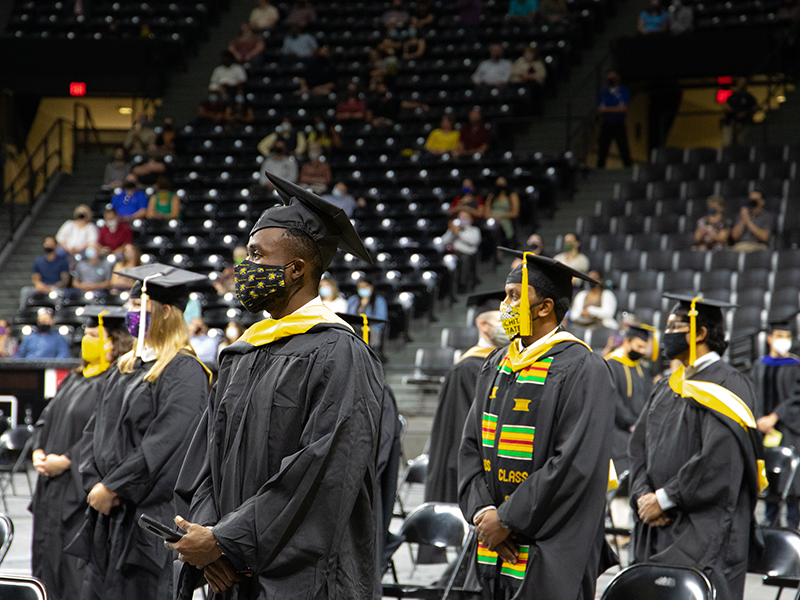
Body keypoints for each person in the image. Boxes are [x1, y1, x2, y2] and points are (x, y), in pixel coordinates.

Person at [171, 174, 384, 599]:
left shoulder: (338, 352)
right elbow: (208, 460)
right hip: (230, 571)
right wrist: (209, 537)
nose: (242, 268)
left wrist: (227, 542)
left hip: (300, 577)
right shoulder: (242, 353)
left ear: (296, 269)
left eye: (255, 255)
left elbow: (321, 474)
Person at [459, 252, 616, 600]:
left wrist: (507, 520)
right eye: (505, 295)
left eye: (514, 296)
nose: (505, 304)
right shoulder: (497, 363)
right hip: (491, 547)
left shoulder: (583, 369)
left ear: (544, 307)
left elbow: (574, 463)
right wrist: (484, 513)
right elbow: (471, 445)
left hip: (548, 547)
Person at [68, 265, 211, 600]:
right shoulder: (126, 367)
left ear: (165, 312)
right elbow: (93, 434)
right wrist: (95, 485)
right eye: (130, 308)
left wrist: (114, 486)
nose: (131, 315)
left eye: (139, 309)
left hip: (149, 522)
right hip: (108, 514)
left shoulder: (184, 371)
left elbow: (166, 446)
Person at [629, 294, 763, 600]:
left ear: (700, 333)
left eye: (675, 326)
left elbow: (719, 461)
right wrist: (642, 496)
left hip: (703, 531)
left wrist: (664, 498)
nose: (666, 334)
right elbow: (638, 448)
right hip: (654, 525)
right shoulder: (668, 384)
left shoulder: (730, 385)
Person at [30, 307, 133, 600]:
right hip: (49, 487)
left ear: (113, 342)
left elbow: (105, 433)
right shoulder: (75, 378)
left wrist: (68, 460)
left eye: (93, 336)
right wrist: (38, 448)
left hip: (78, 489)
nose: (86, 340)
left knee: (74, 572)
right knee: (44, 564)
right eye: (85, 335)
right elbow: (45, 419)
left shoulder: (114, 382)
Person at [426, 292, 507, 504]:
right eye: (500, 320)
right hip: (470, 467)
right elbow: (460, 429)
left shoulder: (507, 363)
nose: (507, 326)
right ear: (483, 325)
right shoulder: (467, 368)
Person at [751, 315, 800, 528]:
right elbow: (751, 395)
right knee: (769, 477)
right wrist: (760, 420)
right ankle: (769, 523)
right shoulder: (759, 366)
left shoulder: (795, 365)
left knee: (791, 480)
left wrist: (775, 417)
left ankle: (791, 525)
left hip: (788, 429)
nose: (784, 340)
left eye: (787, 337)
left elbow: (796, 396)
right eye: (780, 336)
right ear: (769, 338)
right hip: (763, 431)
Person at [605, 324, 654, 472]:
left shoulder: (642, 369)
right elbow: (613, 399)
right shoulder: (610, 365)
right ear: (626, 342)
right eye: (638, 346)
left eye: (643, 348)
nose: (641, 351)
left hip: (638, 429)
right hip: (617, 431)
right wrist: (630, 423)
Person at [597, 71, 632, 168]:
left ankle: (628, 169)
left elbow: (623, 109)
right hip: (607, 124)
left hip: (619, 124)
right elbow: (600, 109)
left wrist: (607, 109)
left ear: (618, 78)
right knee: (603, 149)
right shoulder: (604, 93)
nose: (611, 80)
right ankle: (599, 170)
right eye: (609, 78)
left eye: (613, 78)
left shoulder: (623, 91)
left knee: (624, 148)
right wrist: (616, 108)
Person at [442, 211, 482, 294]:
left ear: (470, 220)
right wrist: (451, 232)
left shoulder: (474, 230)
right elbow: (443, 241)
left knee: (464, 259)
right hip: (453, 254)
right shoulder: (453, 230)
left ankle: (463, 285)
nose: (462, 219)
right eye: (460, 217)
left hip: (468, 254)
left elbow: (473, 242)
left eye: (465, 217)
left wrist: (458, 233)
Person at [346, 279, 389, 352]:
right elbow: (348, 316)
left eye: (365, 287)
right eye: (360, 287)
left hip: (372, 327)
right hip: (355, 327)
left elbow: (381, 318)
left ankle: (373, 350)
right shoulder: (353, 300)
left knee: (373, 330)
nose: (362, 289)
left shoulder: (379, 300)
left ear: (371, 288)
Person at [723, 79, 758, 146]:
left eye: (744, 83)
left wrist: (745, 113)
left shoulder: (749, 97)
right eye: (741, 83)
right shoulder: (732, 96)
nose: (742, 85)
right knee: (728, 143)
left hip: (744, 123)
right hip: (731, 122)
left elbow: (755, 107)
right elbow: (725, 105)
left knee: (741, 142)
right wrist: (734, 112)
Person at [486, 177, 520, 244]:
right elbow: (486, 212)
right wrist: (493, 216)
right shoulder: (491, 196)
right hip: (493, 219)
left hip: (506, 219)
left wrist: (501, 215)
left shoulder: (512, 196)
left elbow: (515, 213)